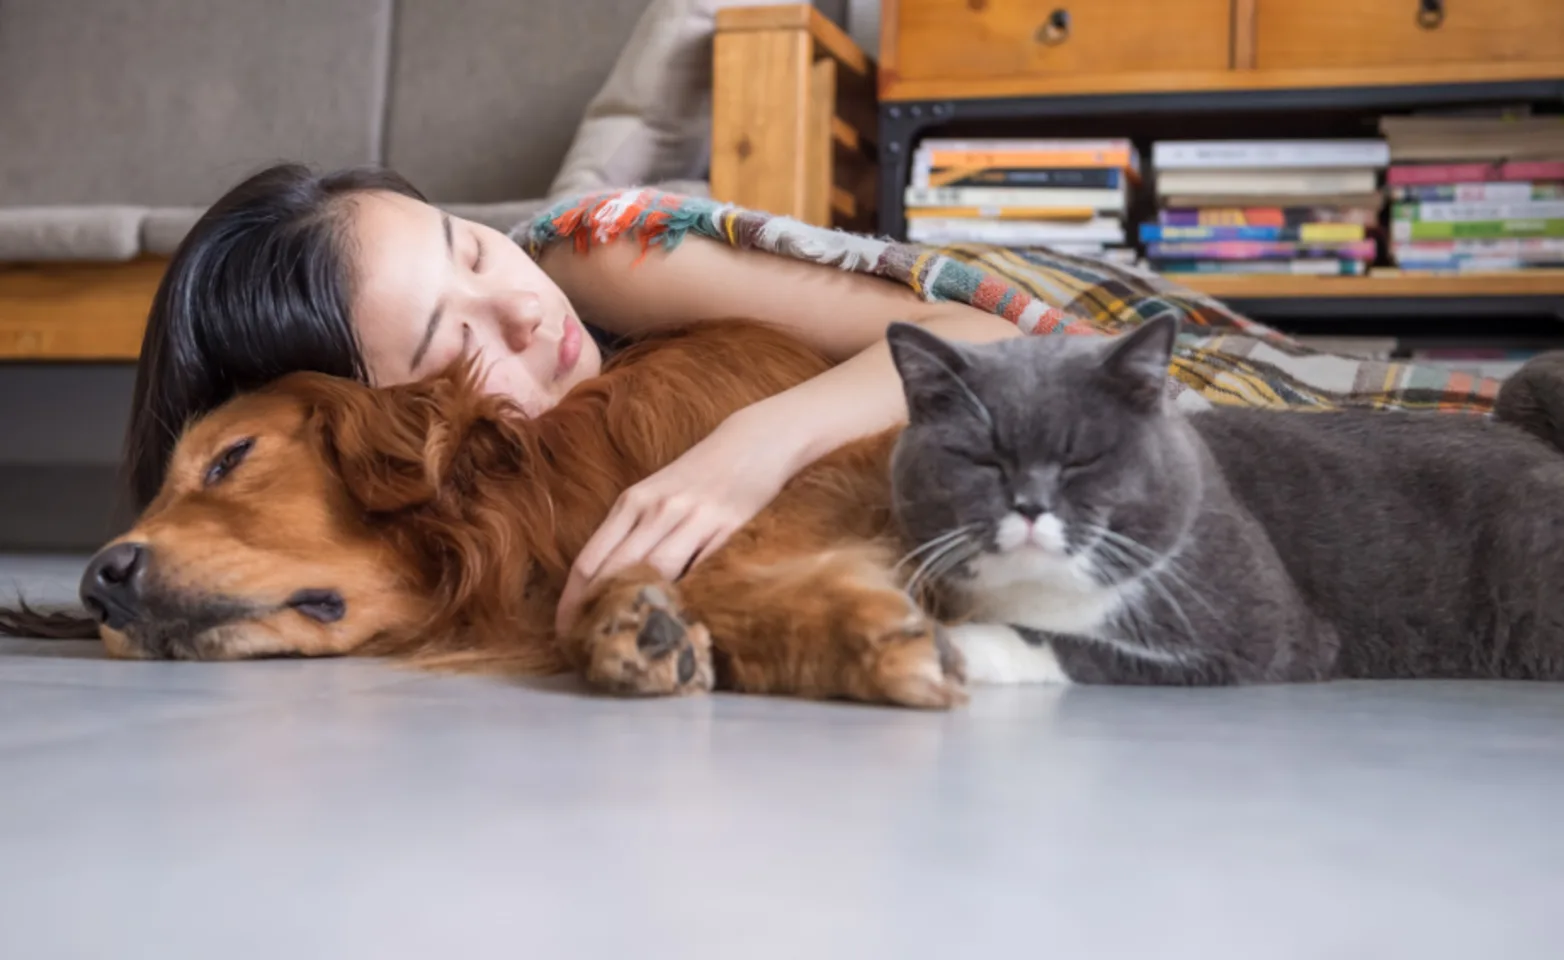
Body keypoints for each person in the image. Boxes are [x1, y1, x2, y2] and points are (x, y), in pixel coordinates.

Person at [127, 163, 1022, 634]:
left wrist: (754, 446)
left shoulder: (590, 259)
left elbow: (1008, 337)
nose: (519, 309)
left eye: (470, 250)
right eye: (455, 340)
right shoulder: (463, 492)